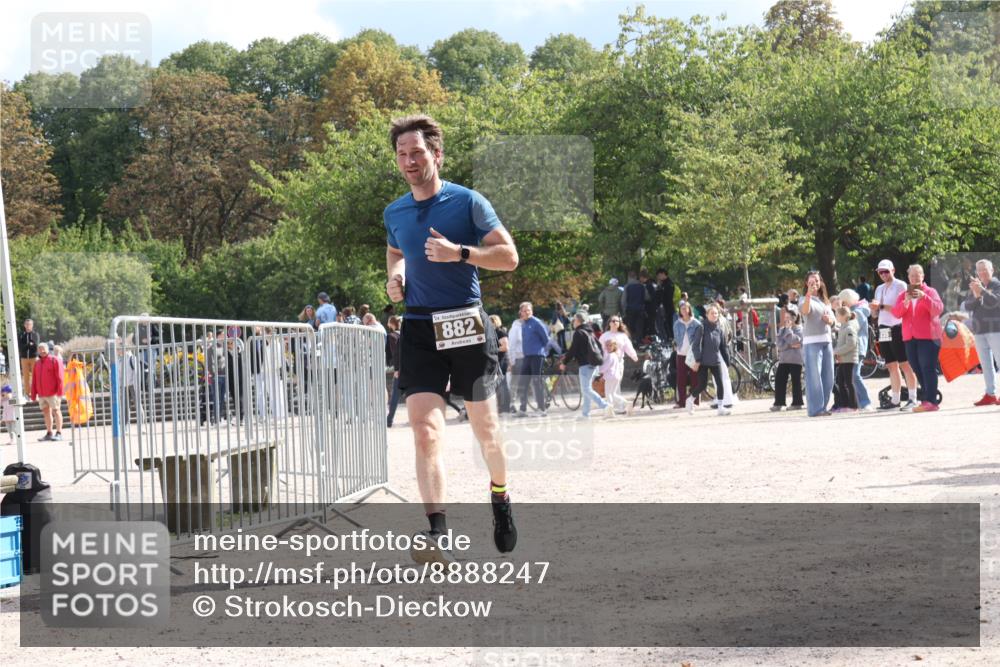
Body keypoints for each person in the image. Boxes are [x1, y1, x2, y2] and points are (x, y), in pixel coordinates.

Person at [383, 113, 518, 563]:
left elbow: (509, 256)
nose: (409, 161)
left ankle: (500, 496)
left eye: (417, 153)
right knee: (424, 431)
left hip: (465, 322)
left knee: (487, 431)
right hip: (419, 325)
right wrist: (396, 276)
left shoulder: (467, 202)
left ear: (436, 155)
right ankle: (437, 532)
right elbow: (396, 249)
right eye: (402, 154)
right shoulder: (395, 212)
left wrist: (460, 253)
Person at [891, 264, 944, 412]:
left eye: (918, 275)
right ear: (908, 278)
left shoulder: (930, 291)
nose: (915, 278)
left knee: (927, 367)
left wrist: (925, 298)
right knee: (916, 367)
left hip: (929, 336)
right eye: (912, 275)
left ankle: (931, 401)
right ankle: (927, 397)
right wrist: (906, 302)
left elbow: (938, 309)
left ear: (923, 276)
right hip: (910, 337)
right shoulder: (903, 295)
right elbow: (896, 313)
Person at [870, 259, 919, 410]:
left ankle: (913, 398)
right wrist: (874, 309)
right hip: (883, 327)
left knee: (905, 363)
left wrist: (882, 306)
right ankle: (895, 399)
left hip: (897, 327)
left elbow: (903, 308)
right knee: (891, 365)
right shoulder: (879, 288)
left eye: (886, 271)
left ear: (893, 270)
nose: (883, 274)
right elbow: (875, 313)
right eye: (881, 272)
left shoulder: (901, 285)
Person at [964, 259, 1000, 406]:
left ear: (992, 270)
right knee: (986, 364)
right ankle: (990, 394)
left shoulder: (997, 285)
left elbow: (996, 301)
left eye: (985, 269)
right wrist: (977, 295)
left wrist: (982, 291)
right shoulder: (976, 286)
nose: (982, 273)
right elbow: (968, 305)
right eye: (979, 270)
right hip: (979, 331)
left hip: (996, 329)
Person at [800, 271, 836, 417]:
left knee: (829, 376)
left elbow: (834, 320)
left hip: (827, 341)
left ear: (821, 282)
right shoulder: (803, 299)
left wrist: (830, 321)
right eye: (811, 282)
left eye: (816, 281)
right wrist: (809, 294)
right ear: (806, 284)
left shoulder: (825, 301)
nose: (814, 284)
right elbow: (805, 310)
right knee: (814, 377)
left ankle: (823, 406)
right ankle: (815, 409)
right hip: (812, 342)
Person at [559, 314, 609, 418]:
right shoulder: (590, 332)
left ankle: (605, 406)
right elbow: (598, 347)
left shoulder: (578, 333)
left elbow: (573, 350)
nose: (573, 322)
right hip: (593, 364)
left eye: (574, 320)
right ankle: (585, 414)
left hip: (585, 365)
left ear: (578, 321)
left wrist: (564, 362)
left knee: (586, 389)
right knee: (587, 389)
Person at [686, 304, 732, 416]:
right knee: (702, 385)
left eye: (716, 313)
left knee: (720, 383)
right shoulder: (701, 327)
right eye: (712, 313)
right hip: (703, 361)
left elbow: (723, 347)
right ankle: (690, 400)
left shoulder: (719, 329)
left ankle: (720, 407)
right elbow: (695, 345)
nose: (714, 315)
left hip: (715, 360)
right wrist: (697, 359)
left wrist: (727, 361)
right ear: (707, 315)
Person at [839, 289, 873, 411]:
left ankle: (865, 402)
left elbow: (850, 325)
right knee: (851, 375)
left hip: (857, 348)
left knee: (855, 375)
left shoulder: (859, 311)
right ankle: (859, 403)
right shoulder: (858, 310)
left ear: (846, 301)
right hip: (852, 348)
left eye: (842, 302)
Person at [514, 302, 549, 418]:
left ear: (532, 311)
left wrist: (542, 353)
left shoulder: (537, 323)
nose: (526, 312)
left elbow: (546, 340)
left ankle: (542, 409)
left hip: (537, 356)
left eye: (528, 310)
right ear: (520, 312)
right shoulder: (523, 324)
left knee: (536, 382)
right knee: (523, 382)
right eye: (524, 310)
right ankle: (522, 409)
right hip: (527, 356)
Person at [598, 315, 638, 414]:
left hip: (619, 363)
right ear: (609, 323)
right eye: (613, 321)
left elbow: (628, 347)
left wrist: (634, 356)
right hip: (607, 361)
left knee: (615, 386)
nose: (615, 322)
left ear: (619, 323)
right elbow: (598, 348)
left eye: (617, 321)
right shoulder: (605, 335)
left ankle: (618, 407)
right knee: (612, 389)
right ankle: (615, 407)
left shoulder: (622, 336)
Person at [771, 307, 804, 411]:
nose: (786, 320)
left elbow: (795, 342)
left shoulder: (799, 329)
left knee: (796, 381)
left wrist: (789, 332)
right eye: (785, 317)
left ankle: (797, 403)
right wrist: (789, 345)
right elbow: (780, 345)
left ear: (794, 318)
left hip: (796, 360)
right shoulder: (781, 329)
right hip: (784, 360)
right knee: (779, 380)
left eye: (788, 317)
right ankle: (779, 403)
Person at [30, 342, 65, 441]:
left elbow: (60, 377)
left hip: (53, 392)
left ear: (47, 349)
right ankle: (49, 433)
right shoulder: (37, 363)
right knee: (46, 412)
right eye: (40, 349)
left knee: (56, 411)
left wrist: (60, 391)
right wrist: (33, 394)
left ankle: (59, 433)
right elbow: (34, 379)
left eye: (43, 348)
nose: (42, 350)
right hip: (42, 394)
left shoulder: (55, 360)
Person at [673, 301, 702, 409]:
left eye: (686, 308)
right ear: (679, 311)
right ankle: (681, 402)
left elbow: (700, 338)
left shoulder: (696, 323)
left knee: (695, 378)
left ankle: (695, 401)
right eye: (682, 309)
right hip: (681, 353)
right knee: (681, 379)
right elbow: (676, 337)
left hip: (692, 354)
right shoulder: (677, 323)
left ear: (690, 309)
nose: (684, 310)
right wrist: (677, 347)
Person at [832, 306, 860, 413]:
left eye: (837, 315)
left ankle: (853, 406)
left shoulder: (849, 328)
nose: (836, 317)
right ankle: (844, 405)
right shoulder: (843, 327)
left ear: (843, 316)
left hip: (849, 359)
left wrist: (836, 351)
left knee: (849, 382)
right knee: (840, 381)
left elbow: (851, 344)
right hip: (843, 359)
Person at [490, 315, 512, 415]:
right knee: (498, 386)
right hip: (496, 361)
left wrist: (492, 350)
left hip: (502, 361)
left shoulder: (501, 332)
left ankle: (506, 408)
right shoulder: (492, 333)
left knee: (503, 385)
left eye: (490, 322)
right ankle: (500, 408)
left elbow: (505, 347)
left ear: (495, 322)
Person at [622, 271, 647, 345]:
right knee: (639, 326)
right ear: (636, 277)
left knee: (630, 326)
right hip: (640, 309)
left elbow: (623, 300)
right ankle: (639, 342)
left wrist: (624, 310)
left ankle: (631, 342)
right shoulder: (642, 286)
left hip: (630, 309)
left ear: (629, 277)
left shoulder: (627, 286)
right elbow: (647, 297)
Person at [506, 316, 523, 415]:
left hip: (523, 358)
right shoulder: (515, 329)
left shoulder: (521, 327)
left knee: (517, 383)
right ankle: (512, 404)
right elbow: (511, 346)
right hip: (517, 359)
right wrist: (511, 362)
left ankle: (515, 404)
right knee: (515, 383)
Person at [18, 319, 39, 398]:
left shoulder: (35, 334)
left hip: (33, 357)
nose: (28, 326)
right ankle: (28, 393)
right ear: (24, 325)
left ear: (32, 325)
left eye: (29, 324)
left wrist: (27, 345)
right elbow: (20, 347)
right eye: (26, 324)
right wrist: (29, 344)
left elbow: (35, 346)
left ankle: (36, 393)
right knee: (26, 376)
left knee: (35, 376)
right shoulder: (21, 334)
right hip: (24, 358)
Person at [655, 268, 678, 342]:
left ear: (663, 274)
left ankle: (671, 338)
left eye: (659, 275)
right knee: (666, 324)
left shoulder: (668, 284)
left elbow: (667, 297)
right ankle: (669, 338)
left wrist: (659, 288)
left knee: (669, 324)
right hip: (666, 307)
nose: (658, 277)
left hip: (668, 308)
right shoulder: (664, 283)